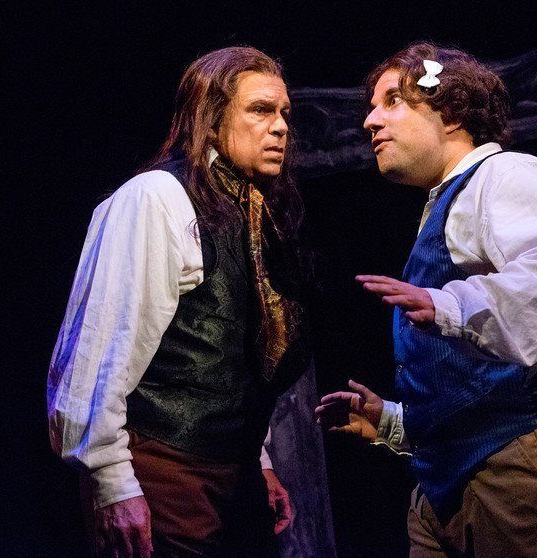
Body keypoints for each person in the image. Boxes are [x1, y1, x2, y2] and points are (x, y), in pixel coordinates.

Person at [316, 43, 537, 557]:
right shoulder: (449, 201)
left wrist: (449, 306)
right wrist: (396, 421)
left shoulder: (507, 177)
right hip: (454, 481)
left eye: (392, 101)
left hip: (526, 459)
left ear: (451, 113)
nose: (370, 120)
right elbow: (473, 378)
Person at [48, 46, 311, 558]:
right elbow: (99, 347)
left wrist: (259, 462)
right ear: (212, 119)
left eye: (284, 114)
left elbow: (233, 358)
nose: (280, 127)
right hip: (164, 466)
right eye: (260, 110)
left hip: (228, 474)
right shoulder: (158, 197)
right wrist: (111, 482)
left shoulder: (252, 213)